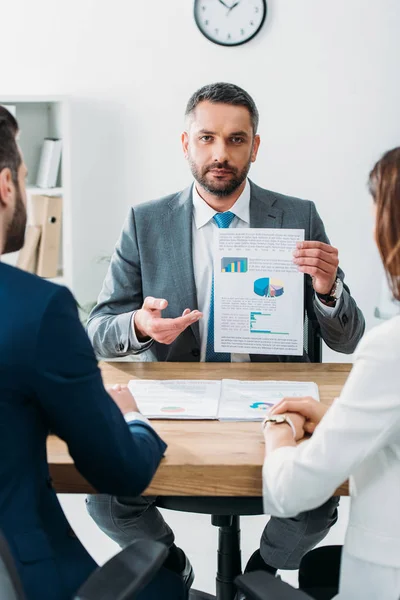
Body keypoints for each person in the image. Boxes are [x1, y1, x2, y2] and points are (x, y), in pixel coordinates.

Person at [85, 83, 365, 583]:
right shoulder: (144, 222)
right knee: (104, 496)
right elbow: (100, 329)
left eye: (236, 140)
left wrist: (326, 289)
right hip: (176, 405)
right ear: (186, 143)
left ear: (255, 147)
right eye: (207, 137)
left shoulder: (298, 215)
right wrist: (141, 326)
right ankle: (171, 566)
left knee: (316, 500)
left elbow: (347, 339)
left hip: (277, 406)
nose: (220, 153)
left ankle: (261, 575)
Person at [0, 107, 186, 600]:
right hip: (33, 583)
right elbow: (120, 470)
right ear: (5, 186)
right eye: (22, 176)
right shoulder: (35, 310)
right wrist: (130, 417)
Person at [262, 147, 400, 599]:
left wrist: (280, 430)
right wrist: (339, 417)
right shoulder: (148, 221)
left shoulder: (390, 348)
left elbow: (290, 491)